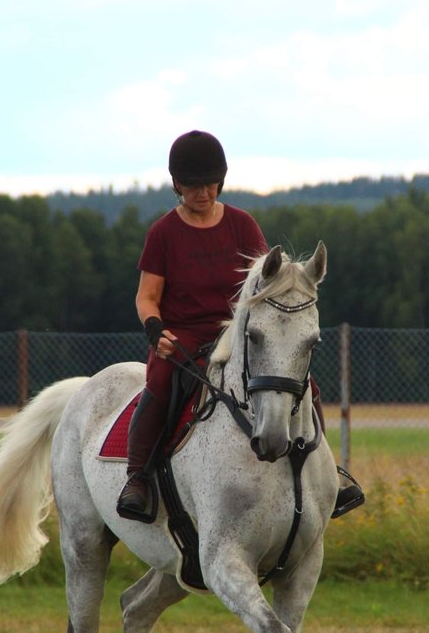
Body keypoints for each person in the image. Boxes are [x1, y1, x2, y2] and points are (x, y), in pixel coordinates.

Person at [116, 130, 364, 521]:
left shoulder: (243, 225)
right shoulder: (163, 233)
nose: (204, 192)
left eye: (210, 183)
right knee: (160, 383)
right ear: (177, 184)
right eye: (194, 185)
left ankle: (327, 474)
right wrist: (154, 328)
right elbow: (146, 295)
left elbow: (268, 285)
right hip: (182, 338)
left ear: (221, 180)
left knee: (304, 384)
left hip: (238, 333)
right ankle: (137, 478)